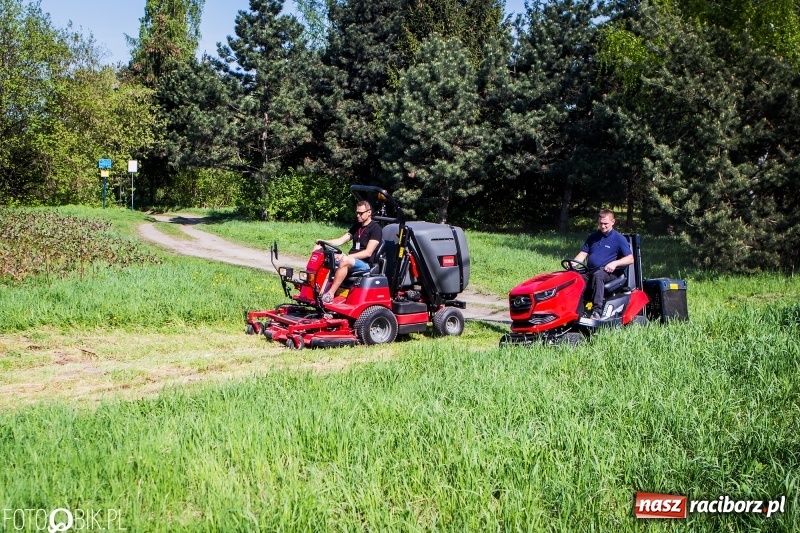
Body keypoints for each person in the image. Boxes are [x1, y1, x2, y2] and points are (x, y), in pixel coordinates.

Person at [316, 200, 382, 303]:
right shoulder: (357, 226)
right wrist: (323, 242)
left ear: (369, 212)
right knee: (319, 250)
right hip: (351, 259)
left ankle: (330, 294)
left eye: (361, 213)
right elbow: (340, 240)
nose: (358, 215)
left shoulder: (376, 228)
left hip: (365, 263)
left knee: (345, 260)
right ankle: (314, 289)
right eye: (357, 213)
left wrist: (347, 257)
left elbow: (368, 252)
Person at [573, 209, 633, 319]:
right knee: (575, 278)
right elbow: (582, 254)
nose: (603, 226)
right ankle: (577, 311)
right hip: (591, 271)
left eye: (606, 223)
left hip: (610, 273)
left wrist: (615, 263)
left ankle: (597, 311)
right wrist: (573, 264)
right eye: (601, 223)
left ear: (613, 222)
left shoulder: (619, 239)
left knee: (598, 275)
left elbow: (630, 259)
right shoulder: (593, 237)